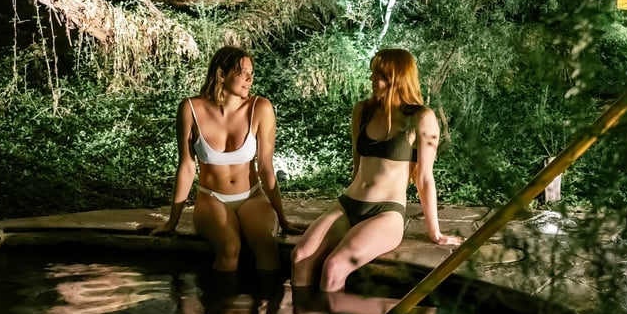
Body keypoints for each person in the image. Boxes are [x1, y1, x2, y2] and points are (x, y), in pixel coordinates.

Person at [291, 47, 460, 292]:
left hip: (385, 213)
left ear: (398, 79)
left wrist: (435, 232)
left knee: (334, 267)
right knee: (299, 256)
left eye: (379, 75)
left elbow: (424, 178)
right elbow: (357, 164)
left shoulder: (422, 118)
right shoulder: (363, 111)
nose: (372, 80)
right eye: (373, 73)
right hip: (349, 204)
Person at [151, 45, 302, 271]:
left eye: (252, 73)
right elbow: (186, 167)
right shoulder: (190, 108)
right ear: (222, 75)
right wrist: (172, 221)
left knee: (265, 244)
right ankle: (221, 304)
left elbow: (265, 168)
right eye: (243, 72)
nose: (250, 79)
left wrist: (283, 219)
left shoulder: (260, 108)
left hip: (252, 196)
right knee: (230, 248)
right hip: (211, 198)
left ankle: (272, 304)